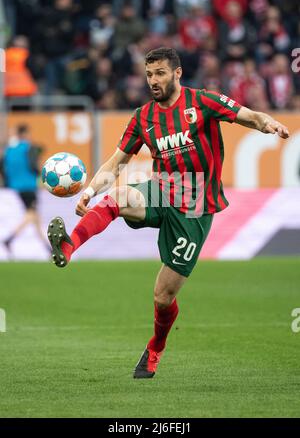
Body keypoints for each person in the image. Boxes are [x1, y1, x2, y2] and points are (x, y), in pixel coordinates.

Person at [47, 47, 289, 379]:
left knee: (163, 297)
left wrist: (269, 123)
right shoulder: (143, 117)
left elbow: (248, 116)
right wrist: (89, 191)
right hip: (162, 187)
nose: (153, 81)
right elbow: (117, 162)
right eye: (149, 75)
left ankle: (155, 348)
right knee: (118, 196)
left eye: (160, 73)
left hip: (197, 205)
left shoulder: (202, 102)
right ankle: (69, 246)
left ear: (177, 73)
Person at [2, 124, 49, 256]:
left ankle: (48, 248)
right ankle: (10, 238)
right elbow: (34, 165)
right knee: (31, 214)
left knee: (35, 217)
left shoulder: (9, 150)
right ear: (25, 134)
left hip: (16, 186)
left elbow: (4, 167)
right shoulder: (28, 148)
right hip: (29, 186)